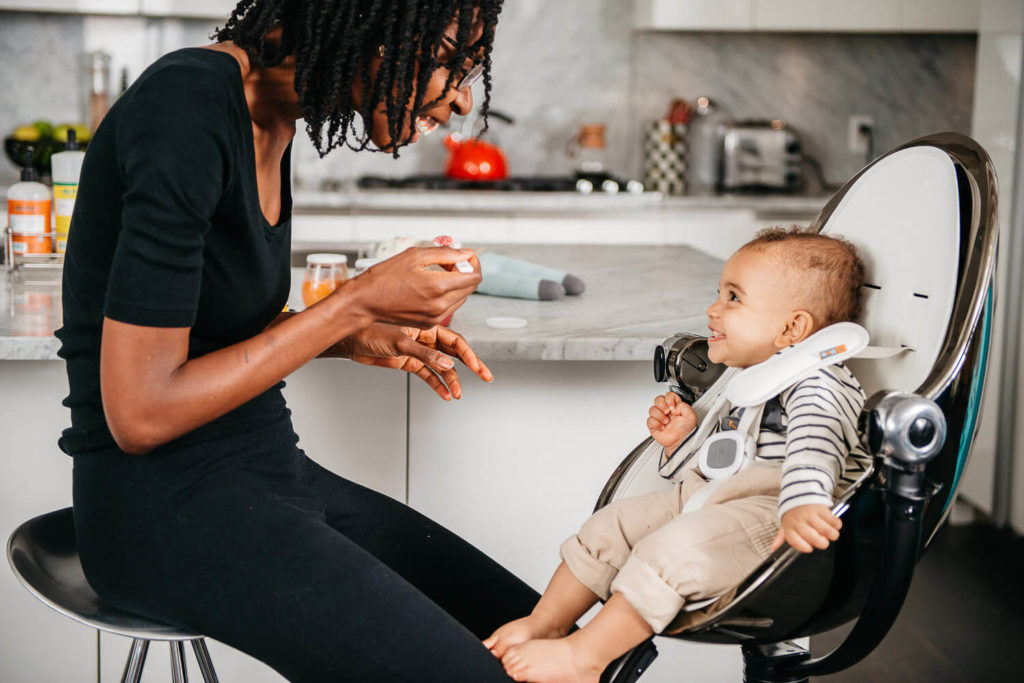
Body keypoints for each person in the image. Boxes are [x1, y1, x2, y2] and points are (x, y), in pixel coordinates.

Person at [57, 1, 541, 681]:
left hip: (267, 474)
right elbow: (139, 413)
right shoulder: (187, 107)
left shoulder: (272, 117)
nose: (462, 99)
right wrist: (351, 303)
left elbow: (214, 332)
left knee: (547, 639)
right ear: (376, 24)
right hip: (159, 511)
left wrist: (350, 336)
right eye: (449, 64)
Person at [485, 227, 871, 683]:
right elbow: (730, 456)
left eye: (734, 298)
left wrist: (803, 502)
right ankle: (546, 622)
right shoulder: (752, 378)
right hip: (719, 499)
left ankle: (585, 658)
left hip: (774, 514)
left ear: (792, 328)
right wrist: (685, 441)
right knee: (613, 524)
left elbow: (817, 443)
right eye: (719, 294)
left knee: (671, 551)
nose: (713, 309)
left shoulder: (819, 382)